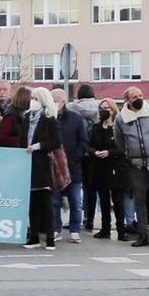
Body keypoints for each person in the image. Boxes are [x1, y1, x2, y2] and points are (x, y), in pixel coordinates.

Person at [113, 87, 149, 249]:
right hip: (135, 163)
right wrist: (129, 153)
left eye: (140, 95)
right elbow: (119, 140)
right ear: (127, 100)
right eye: (134, 97)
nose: (138, 99)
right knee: (139, 199)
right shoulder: (120, 118)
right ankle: (142, 235)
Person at [21, 87, 61, 250]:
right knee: (32, 204)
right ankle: (34, 237)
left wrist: (37, 146)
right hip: (28, 164)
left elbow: (56, 142)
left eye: (35, 98)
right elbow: (21, 140)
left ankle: (50, 237)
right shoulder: (26, 118)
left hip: (42, 164)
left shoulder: (49, 118)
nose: (32, 101)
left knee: (46, 203)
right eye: (31, 98)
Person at [50, 89, 87, 243]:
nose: (53, 104)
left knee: (76, 201)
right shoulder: (47, 118)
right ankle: (56, 229)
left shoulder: (75, 119)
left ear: (63, 101)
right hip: (53, 167)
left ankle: (75, 230)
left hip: (73, 167)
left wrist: (72, 160)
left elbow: (83, 142)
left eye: (55, 101)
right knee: (54, 202)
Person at [88, 98, 128, 241]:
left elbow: (123, 148)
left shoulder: (119, 127)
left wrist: (110, 152)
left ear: (113, 110)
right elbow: (89, 144)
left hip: (116, 167)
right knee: (103, 200)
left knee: (118, 201)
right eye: (101, 108)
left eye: (107, 108)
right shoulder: (96, 127)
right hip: (99, 167)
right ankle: (105, 229)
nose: (104, 110)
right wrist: (94, 152)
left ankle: (121, 230)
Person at [69, 84, 101, 231]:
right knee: (92, 188)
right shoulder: (100, 107)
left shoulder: (72, 108)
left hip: (79, 152)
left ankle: (80, 218)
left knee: (77, 187)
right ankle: (90, 219)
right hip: (96, 153)